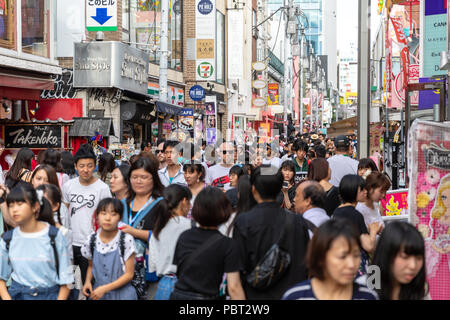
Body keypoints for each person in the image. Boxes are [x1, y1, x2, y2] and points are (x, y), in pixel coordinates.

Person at [233, 165, 310, 299]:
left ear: (254, 190)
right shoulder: (298, 222)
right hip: (292, 295)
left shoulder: (244, 222)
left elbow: (236, 273)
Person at [0, 183, 74, 300]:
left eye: (20, 204)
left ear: (35, 206)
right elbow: (1, 279)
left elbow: (66, 281)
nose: (14, 209)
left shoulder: (54, 236)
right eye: (11, 205)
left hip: (50, 295)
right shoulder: (8, 239)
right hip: (18, 295)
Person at [170, 187, 246, 300]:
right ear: (224, 211)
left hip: (179, 295)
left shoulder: (184, 236)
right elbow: (233, 287)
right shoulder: (228, 245)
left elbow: (179, 272)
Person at [282, 219, 378, 300]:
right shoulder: (296, 296)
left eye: (356, 255)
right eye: (342, 256)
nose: (351, 264)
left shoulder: (368, 296)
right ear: (321, 258)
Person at [62, 144, 112, 286]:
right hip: (70, 242)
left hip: (92, 244)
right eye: (82, 166)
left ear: (95, 166)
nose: (86, 170)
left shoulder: (103, 188)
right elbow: (64, 212)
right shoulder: (68, 186)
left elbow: (107, 217)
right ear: (75, 166)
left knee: (89, 284)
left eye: (90, 166)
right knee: (68, 286)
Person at [121, 156, 165, 300]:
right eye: (135, 177)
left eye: (144, 177)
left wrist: (134, 232)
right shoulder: (122, 204)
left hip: (151, 271)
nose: (138, 181)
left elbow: (165, 237)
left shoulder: (162, 204)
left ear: (154, 178)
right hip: (122, 272)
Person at [81, 198, 137, 300]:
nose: (108, 218)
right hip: (98, 294)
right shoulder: (91, 240)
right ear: (97, 216)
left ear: (120, 218)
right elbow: (91, 265)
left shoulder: (126, 240)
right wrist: (88, 281)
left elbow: (129, 274)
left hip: (123, 295)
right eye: (103, 213)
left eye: (113, 214)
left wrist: (105, 289)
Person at [332, 175, 383, 275]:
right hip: (357, 267)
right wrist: (373, 230)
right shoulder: (355, 215)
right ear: (352, 190)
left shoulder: (337, 211)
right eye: (362, 189)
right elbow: (369, 246)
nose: (365, 192)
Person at [149, 184, 192, 300]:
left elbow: (153, 265)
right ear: (184, 201)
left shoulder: (157, 228)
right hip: (186, 284)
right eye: (189, 202)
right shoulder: (191, 226)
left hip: (164, 284)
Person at [372, 221, 428, 300]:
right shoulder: (362, 291)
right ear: (386, 254)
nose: (413, 266)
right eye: (405, 257)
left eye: (419, 258)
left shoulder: (419, 291)